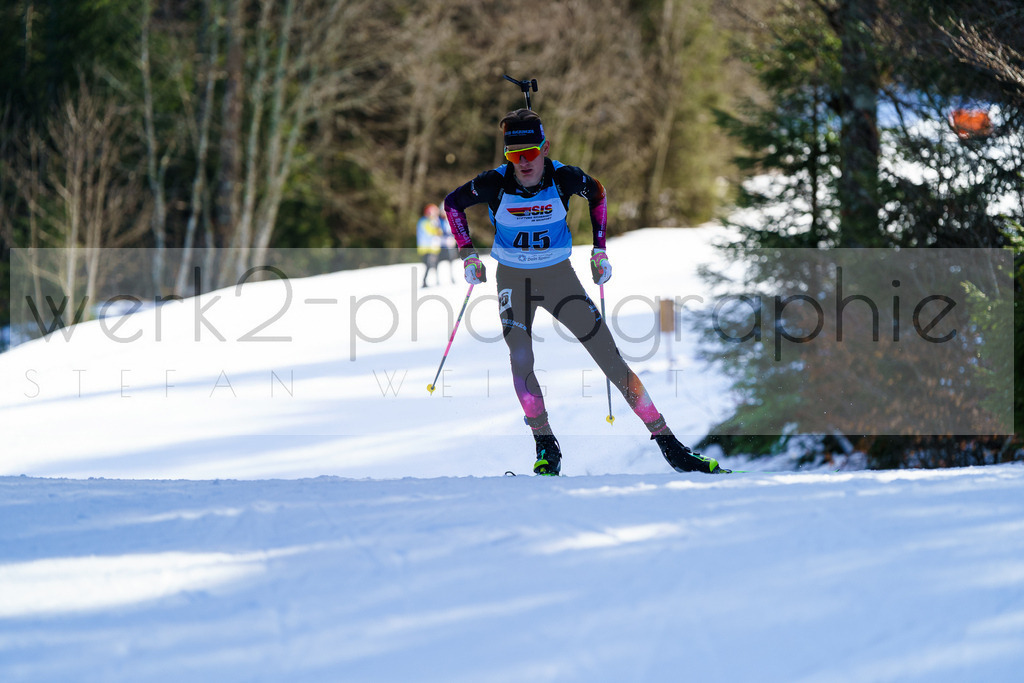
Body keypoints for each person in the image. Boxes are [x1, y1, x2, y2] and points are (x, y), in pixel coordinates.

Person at [443, 108, 727, 476]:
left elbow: (598, 193)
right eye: (515, 155)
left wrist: (599, 248)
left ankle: (671, 447)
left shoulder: (564, 177)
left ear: (545, 149)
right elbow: (453, 204)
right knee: (521, 359)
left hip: (559, 278)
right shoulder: (494, 183)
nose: (524, 162)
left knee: (610, 359)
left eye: (531, 152)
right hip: (513, 279)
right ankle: (546, 446)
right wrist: (468, 255)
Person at [416, 204, 443, 287]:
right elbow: (432, 232)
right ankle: (424, 282)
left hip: (432, 248)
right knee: (429, 265)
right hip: (426, 249)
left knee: (434, 264)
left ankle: (437, 280)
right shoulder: (424, 221)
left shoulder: (431, 221)